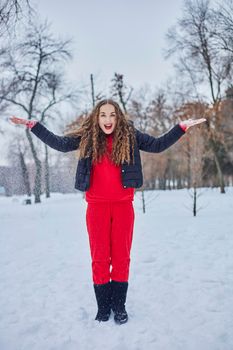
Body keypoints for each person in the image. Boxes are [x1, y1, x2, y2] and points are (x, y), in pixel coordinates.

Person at [9, 99, 206, 325]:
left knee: (121, 258)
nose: (108, 120)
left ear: (118, 116)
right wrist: (34, 125)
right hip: (96, 208)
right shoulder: (87, 136)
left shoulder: (130, 135)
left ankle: (119, 306)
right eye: (103, 115)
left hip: (123, 207)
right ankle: (103, 307)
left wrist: (181, 127)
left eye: (112, 115)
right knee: (100, 258)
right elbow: (60, 144)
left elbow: (157, 145)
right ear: (97, 117)